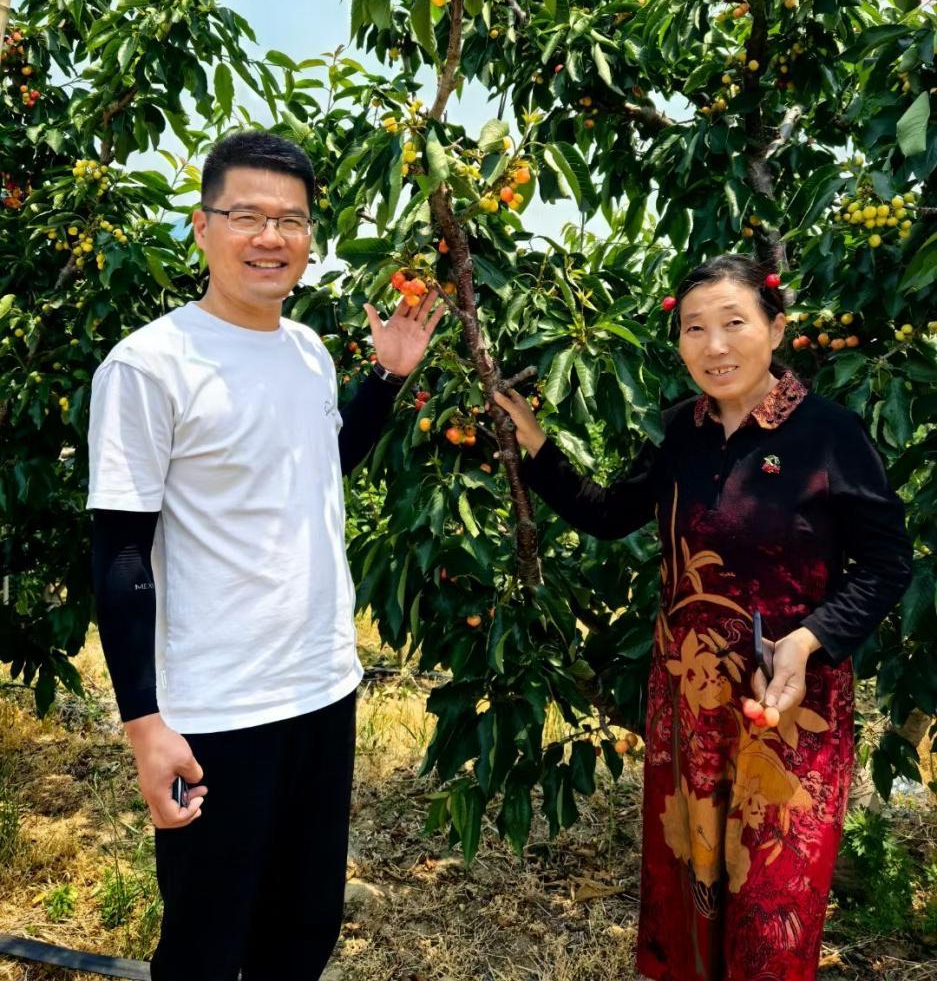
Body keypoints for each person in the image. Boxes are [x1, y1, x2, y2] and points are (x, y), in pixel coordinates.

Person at [494, 254, 912, 981]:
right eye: (694, 328)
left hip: (785, 712)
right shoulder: (674, 432)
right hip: (687, 711)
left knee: (772, 915)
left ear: (775, 328)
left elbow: (885, 562)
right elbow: (607, 513)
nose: (713, 346)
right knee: (691, 900)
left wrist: (808, 640)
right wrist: (534, 442)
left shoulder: (827, 434)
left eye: (733, 323)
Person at [87, 130, 443, 981]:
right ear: (204, 227)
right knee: (209, 941)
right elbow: (120, 551)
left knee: (305, 926)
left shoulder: (307, 351)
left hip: (321, 685)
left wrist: (386, 381)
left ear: (310, 238)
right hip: (216, 705)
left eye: (290, 219)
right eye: (246, 214)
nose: (269, 236)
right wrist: (145, 722)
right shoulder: (148, 365)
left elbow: (318, 465)